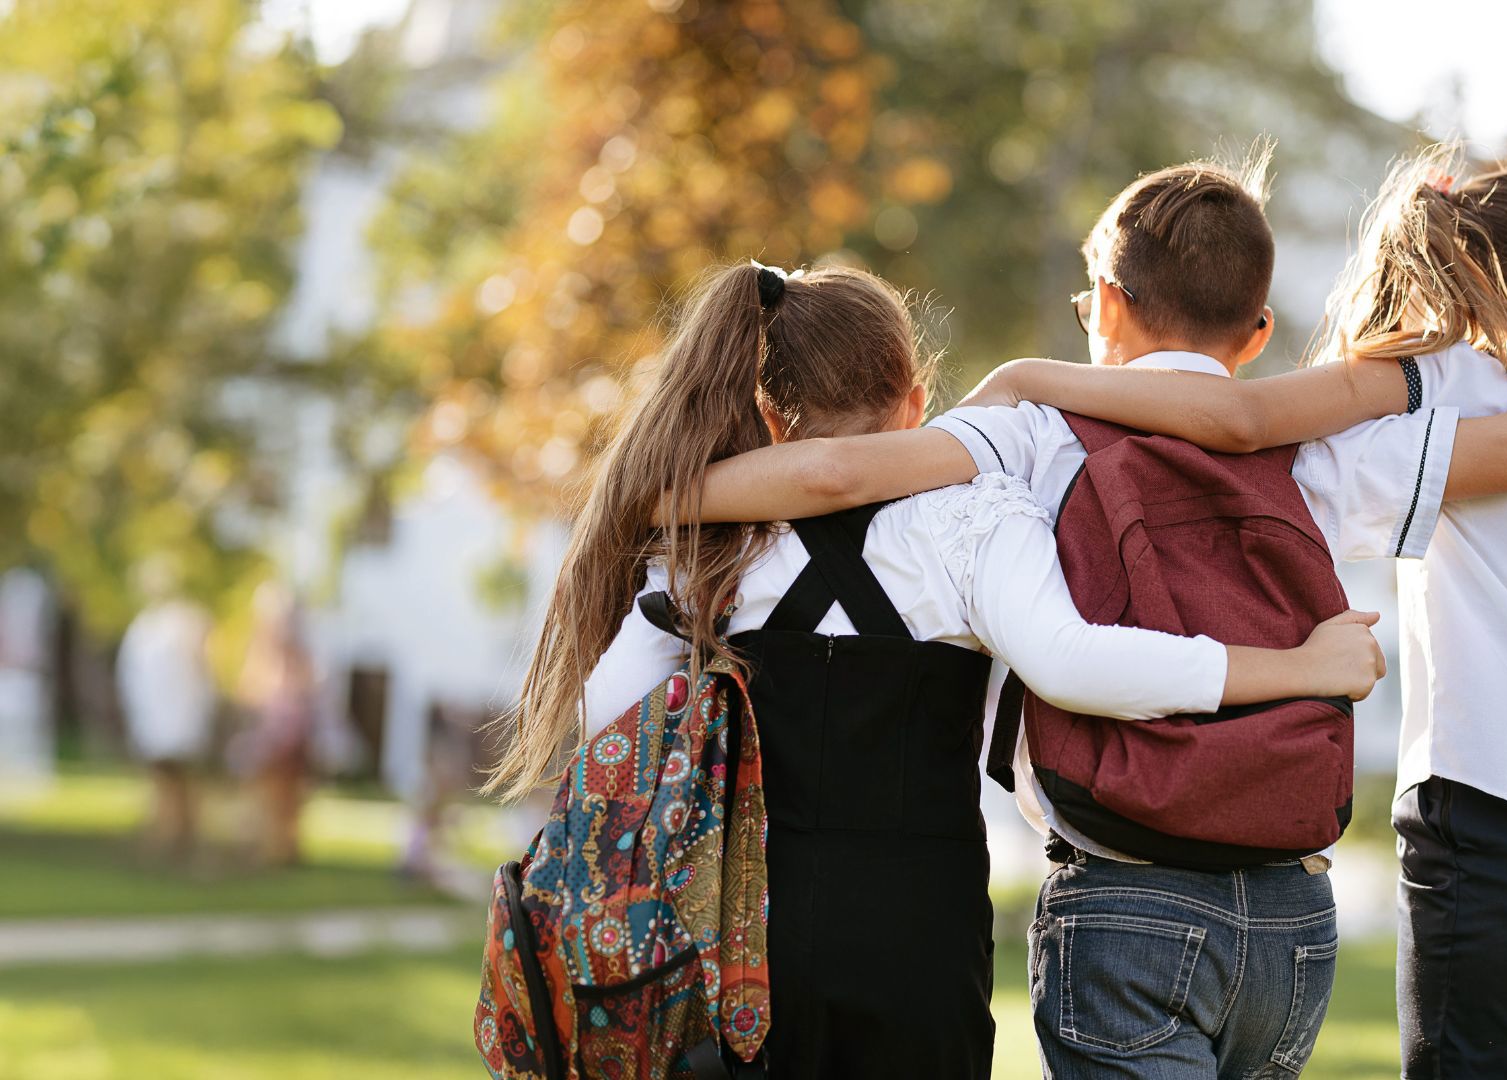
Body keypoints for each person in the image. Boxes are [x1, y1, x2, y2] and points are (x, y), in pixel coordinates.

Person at [686, 152, 1507, 1079]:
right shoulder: (1333, 455)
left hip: (1124, 891)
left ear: (1103, 303)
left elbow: (839, 472)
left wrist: (658, 494)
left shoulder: (1032, 432)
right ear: (1259, 331)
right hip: (1291, 915)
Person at [485, 260, 1388, 1080]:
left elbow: (609, 710)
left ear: (766, 413)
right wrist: (1297, 666)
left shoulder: (706, 545)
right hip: (919, 940)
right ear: (916, 402)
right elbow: (1075, 664)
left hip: (745, 945)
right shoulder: (976, 521)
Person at [116, 561, 218, 863]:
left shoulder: (183, 623)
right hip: (158, 717)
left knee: (182, 780)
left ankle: (182, 836)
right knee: (163, 780)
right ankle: (166, 834)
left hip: (179, 716)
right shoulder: (147, 627)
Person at [231, 581, 318, 867]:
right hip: (267, 736)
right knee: (266, 795)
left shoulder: (299, 657)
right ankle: (269, 848)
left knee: (289, 797)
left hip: (292, 737)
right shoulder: (260, 654)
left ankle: (286, 849)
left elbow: (309, 692)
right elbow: (247, 692)